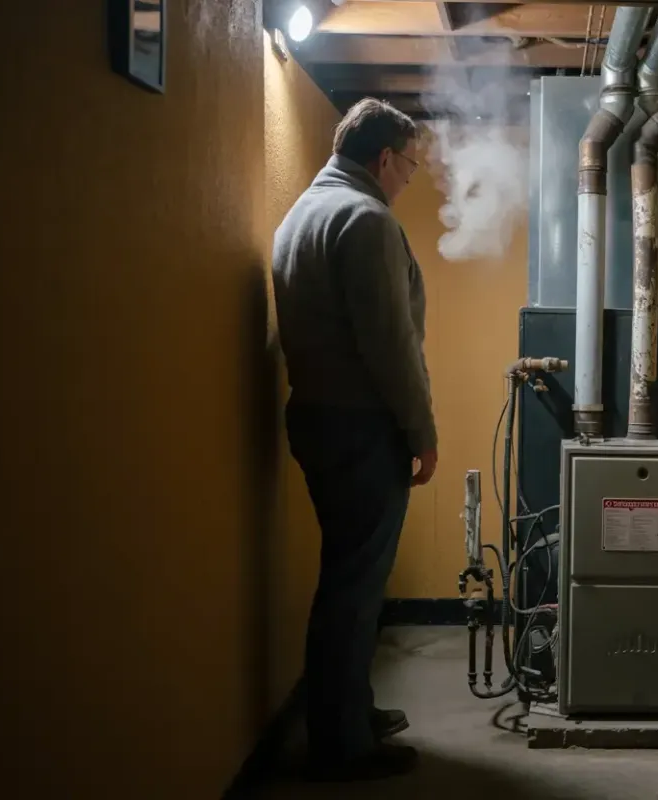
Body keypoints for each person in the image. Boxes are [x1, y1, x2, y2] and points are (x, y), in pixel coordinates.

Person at [271, 98, 436, 781]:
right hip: (361, 427)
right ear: (384, 157)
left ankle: (349, 713)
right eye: (411, 166)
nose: (410, 179)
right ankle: (342, 746)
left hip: (318, 417)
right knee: (354, 588)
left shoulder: (301, 213)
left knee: (349, 577)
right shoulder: (365, 220)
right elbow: (390, 345)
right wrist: (422, 431)